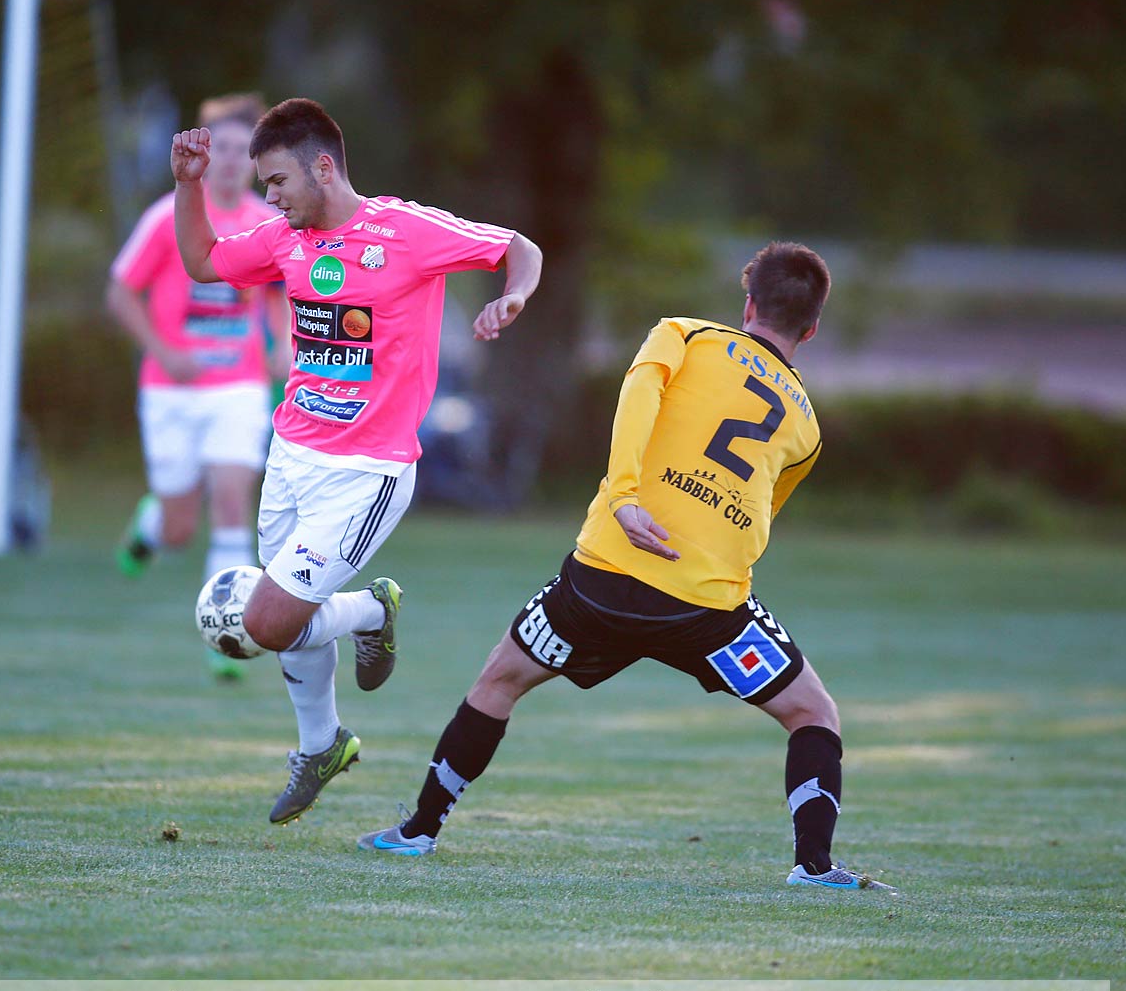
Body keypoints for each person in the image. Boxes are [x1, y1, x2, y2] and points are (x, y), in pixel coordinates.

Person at [357, 242, 894, 892]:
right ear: (810, 329)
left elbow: (639, 397)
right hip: (706, 609)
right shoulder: (806, 425)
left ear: (747, 304)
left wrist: (627, 496)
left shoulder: (685, 335)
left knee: (499, 679)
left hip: (600, 582)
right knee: (813, 714)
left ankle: (419, 831)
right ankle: (814, 867)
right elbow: (758, 521)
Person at [171, 97, 542, 824]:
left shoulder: (405, 230)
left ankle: (373, 608)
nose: (268, 198)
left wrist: (514, 297)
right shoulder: (285, 240)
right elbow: (204, 261)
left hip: (368, 472)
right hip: (290, 454)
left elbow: (517, 248)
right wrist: (188, 184)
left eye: (277, 182)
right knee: (283, 616)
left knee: (272, 622)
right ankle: (322, 742)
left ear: (322, 167)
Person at [110, 95, 288, 632]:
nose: (233, 159)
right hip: (170, 387)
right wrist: (163, 351)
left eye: (244, 149)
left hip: (238, 385)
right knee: (180, 527)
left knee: (232, 502)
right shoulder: (167, 218)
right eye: (223, 148)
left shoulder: (267, 223)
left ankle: (230, 633)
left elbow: (283, 291)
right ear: (205, 154)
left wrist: (284, 343)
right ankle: (151, 526)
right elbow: (121, 291)